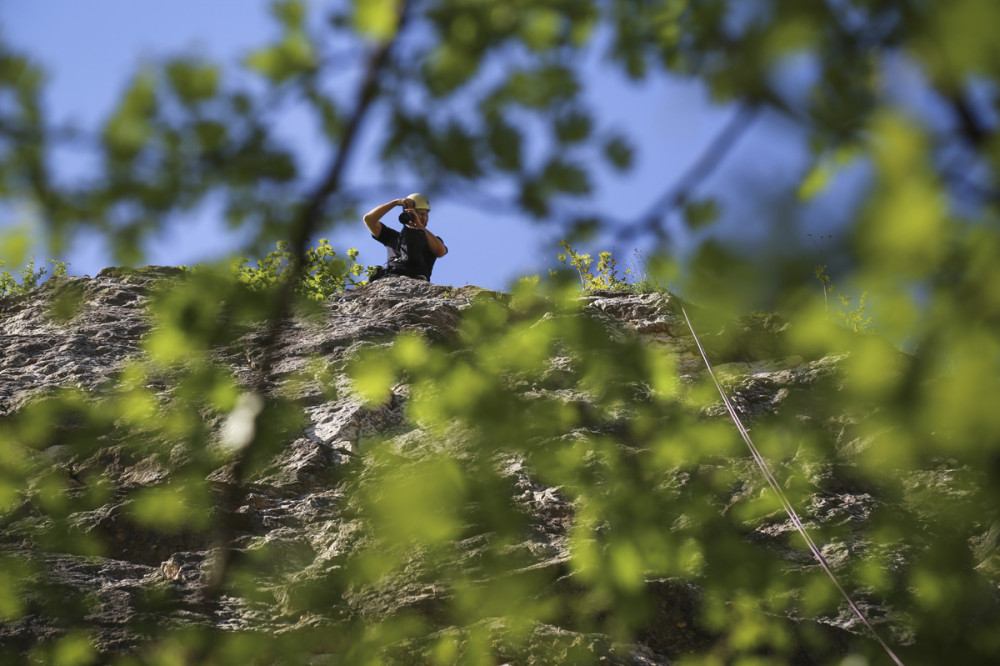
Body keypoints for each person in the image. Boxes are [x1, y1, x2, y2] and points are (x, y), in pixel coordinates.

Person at [363, 193, 448, 281]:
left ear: (428, 217)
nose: (419, 217)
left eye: (423, 214)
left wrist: (419, 226)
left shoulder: (432, 240)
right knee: (376, 271)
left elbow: (440, 251)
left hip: (417, 278)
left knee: (414, 235)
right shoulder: (392, 237)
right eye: (416, 213)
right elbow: (368, 220)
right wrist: (395, 202)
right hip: (391, 277)